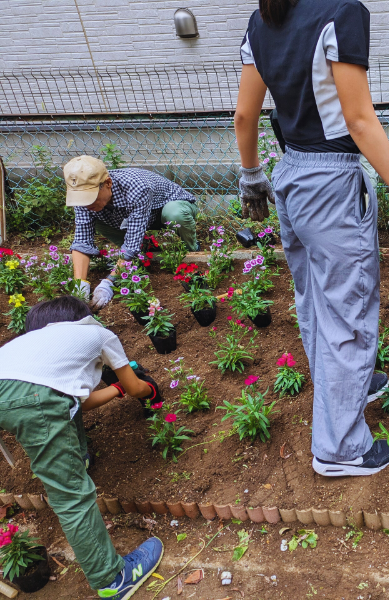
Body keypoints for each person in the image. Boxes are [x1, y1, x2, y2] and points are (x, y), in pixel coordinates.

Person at [235, 0, 389, 476]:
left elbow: (244, 114)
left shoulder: (263, 19)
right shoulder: (342, 12)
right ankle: (341, 448)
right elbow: (359, 120)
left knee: (315, 299)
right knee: (348, 307)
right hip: (332, 179)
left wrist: (251, 172)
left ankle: (346, 388)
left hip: (290, 173)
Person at [0, 296, 164, 600]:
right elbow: (137, 388)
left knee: (60, 407)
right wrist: (148, 388)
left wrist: (113, 389)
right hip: (32, 398)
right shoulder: (96, 332)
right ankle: (113, 580)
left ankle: (79, 457)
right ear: (81, 315)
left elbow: (75, 401)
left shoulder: (27, 345)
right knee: (71, 495)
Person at [65, 155, 200, 309]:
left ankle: (192, 250)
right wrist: (79, 286)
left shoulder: (137, 187)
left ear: (108, 183)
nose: (86, 204)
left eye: (90, 198)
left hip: (166, 209)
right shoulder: (83, 199)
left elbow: (131, 244)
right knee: (97, 222)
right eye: (82, 199)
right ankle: (145, 249)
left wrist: (109, 282)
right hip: (133, 218)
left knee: (174, 214)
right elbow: (82, 241)